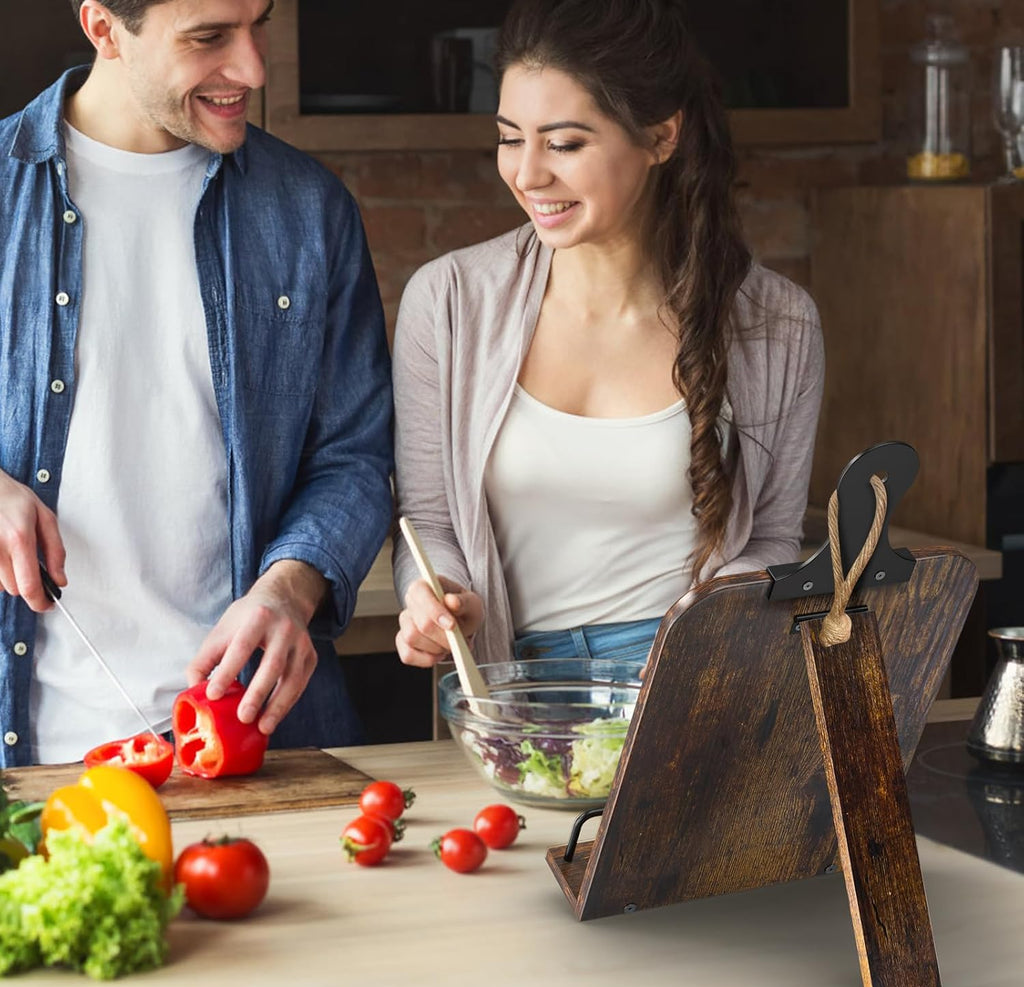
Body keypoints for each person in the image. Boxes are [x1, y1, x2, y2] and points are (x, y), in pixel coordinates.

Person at [0, 0, 393, 767]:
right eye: (209, 38)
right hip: (30, 756)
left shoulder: (310, 209)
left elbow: (353, 455)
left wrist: (290, 587)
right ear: (104, 29)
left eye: (258, 24)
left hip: (255, 741)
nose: (252, 68)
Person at [391, 0, 824, 671]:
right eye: (510, 138)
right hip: (515, 686)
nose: (528, 174)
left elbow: (770, 537)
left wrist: (701, 642)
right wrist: (437, 594)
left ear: (661, 137)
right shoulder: (448, 303)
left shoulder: (777, 324)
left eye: (565, 144)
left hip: (689, 678)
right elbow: (429, 520)